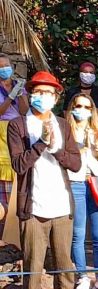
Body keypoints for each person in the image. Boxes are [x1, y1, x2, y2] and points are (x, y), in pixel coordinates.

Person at [7, 71, 83, 289]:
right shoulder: (18, 125)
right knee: (34, 268)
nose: (42, 97)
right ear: (30, 95)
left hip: (62, 206)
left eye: (48, 93)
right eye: (37, 92)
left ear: (56, 96)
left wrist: (56, 149)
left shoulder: (63, 124)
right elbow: (18, 164)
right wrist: (40, 144)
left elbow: (75, 163)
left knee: (64, 267)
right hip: (34, 207)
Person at [66, 93, 98, 289]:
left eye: (87, 107)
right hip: (75, 182)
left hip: (97, 184)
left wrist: (97, 145)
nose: (83, 111)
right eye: (79, 106)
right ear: (72, 108)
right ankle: (82, 276)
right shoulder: (64, 129)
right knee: (77, 234)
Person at [0, 54, 28, 236]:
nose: (4, 69)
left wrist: (20, 94)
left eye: (6, 65)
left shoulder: (19, 86)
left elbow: (25, 111)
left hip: (17, 130)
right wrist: (9, 97)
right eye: (0, 66)